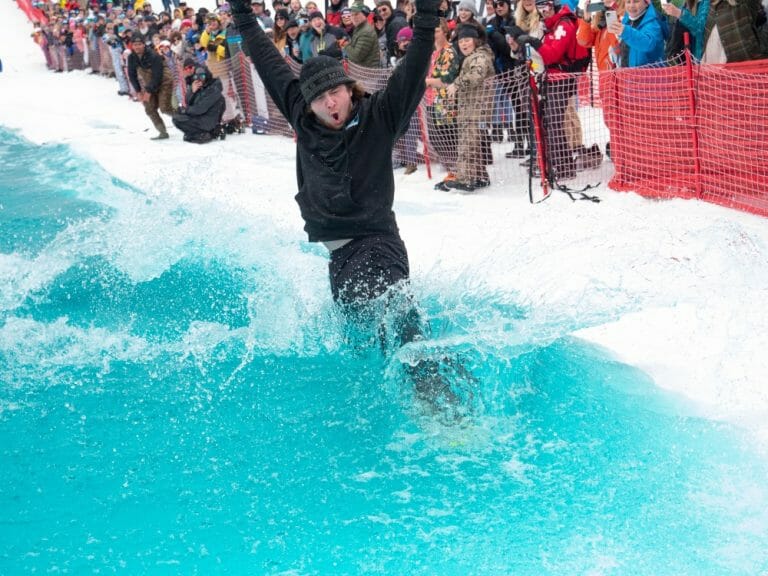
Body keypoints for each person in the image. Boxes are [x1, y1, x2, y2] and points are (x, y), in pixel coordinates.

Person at [227, 0, 459, 407]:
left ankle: (439, 401)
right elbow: (267, 59)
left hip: (377, 242)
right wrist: (243, 15)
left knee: (400, 320)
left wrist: (425, 15)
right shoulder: (302, 114)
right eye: (321, 99)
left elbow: (415, 65)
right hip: (339, 257)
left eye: (335, 92)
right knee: (362, 340)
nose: (330, 104)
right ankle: (405, 395)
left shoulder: (380, 115)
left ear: (347, 87)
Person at [443, 24, 495, 192]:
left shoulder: (479, 57)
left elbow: (476, 75)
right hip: (470, 108)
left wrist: (456, 84)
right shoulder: (472, 57)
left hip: (476, 108)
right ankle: (479, 175)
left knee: (468, 144)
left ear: (476, 41)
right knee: (473, 143)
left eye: (467, 40)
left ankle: (466, 179)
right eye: (461, 41)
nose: (463, 44)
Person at [127, 34, 175, 139]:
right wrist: (138, 91)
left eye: (139, 44)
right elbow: (132, 75)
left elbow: (157, 76)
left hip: (164, 81)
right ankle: (162, 132)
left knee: (165, 108)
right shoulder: (131, 57)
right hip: (150, 83)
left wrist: (148, 92)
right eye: (135, 45)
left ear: (144, 44)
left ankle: (185, 120)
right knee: (149, 108)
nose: (137, 47)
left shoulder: (153, 55)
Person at [172, 63, 226, 143]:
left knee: (178, 119)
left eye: (202, 77)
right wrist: (192, 92)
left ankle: (203, 134)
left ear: (207, 76)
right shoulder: (200, 87)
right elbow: (188, 102)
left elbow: (200, 109)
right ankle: (198, 133)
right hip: (202, 117)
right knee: (177, 117)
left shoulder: (213, 89)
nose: (200, 80)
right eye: (196, 77)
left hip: (208, 120)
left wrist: (184, 110)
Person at [605, 0, 665, 66]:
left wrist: (625, 32)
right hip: (627, 74)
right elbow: (630, 47)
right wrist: (617, 48)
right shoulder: (627, 20)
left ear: (646, 4)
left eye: (636, 1)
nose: (631, 5)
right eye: (628, 2)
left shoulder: (652, 23)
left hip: (647, 75)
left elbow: (648, 44)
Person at [346, 1, 381, 67]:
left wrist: (345, 46)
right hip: (363, 72)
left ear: (364, 15)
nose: (354, 17)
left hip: (368, 74)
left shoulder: (366, 32)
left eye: (356, 14)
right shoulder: (359, 28)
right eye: (352, 15)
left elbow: (356, 57)